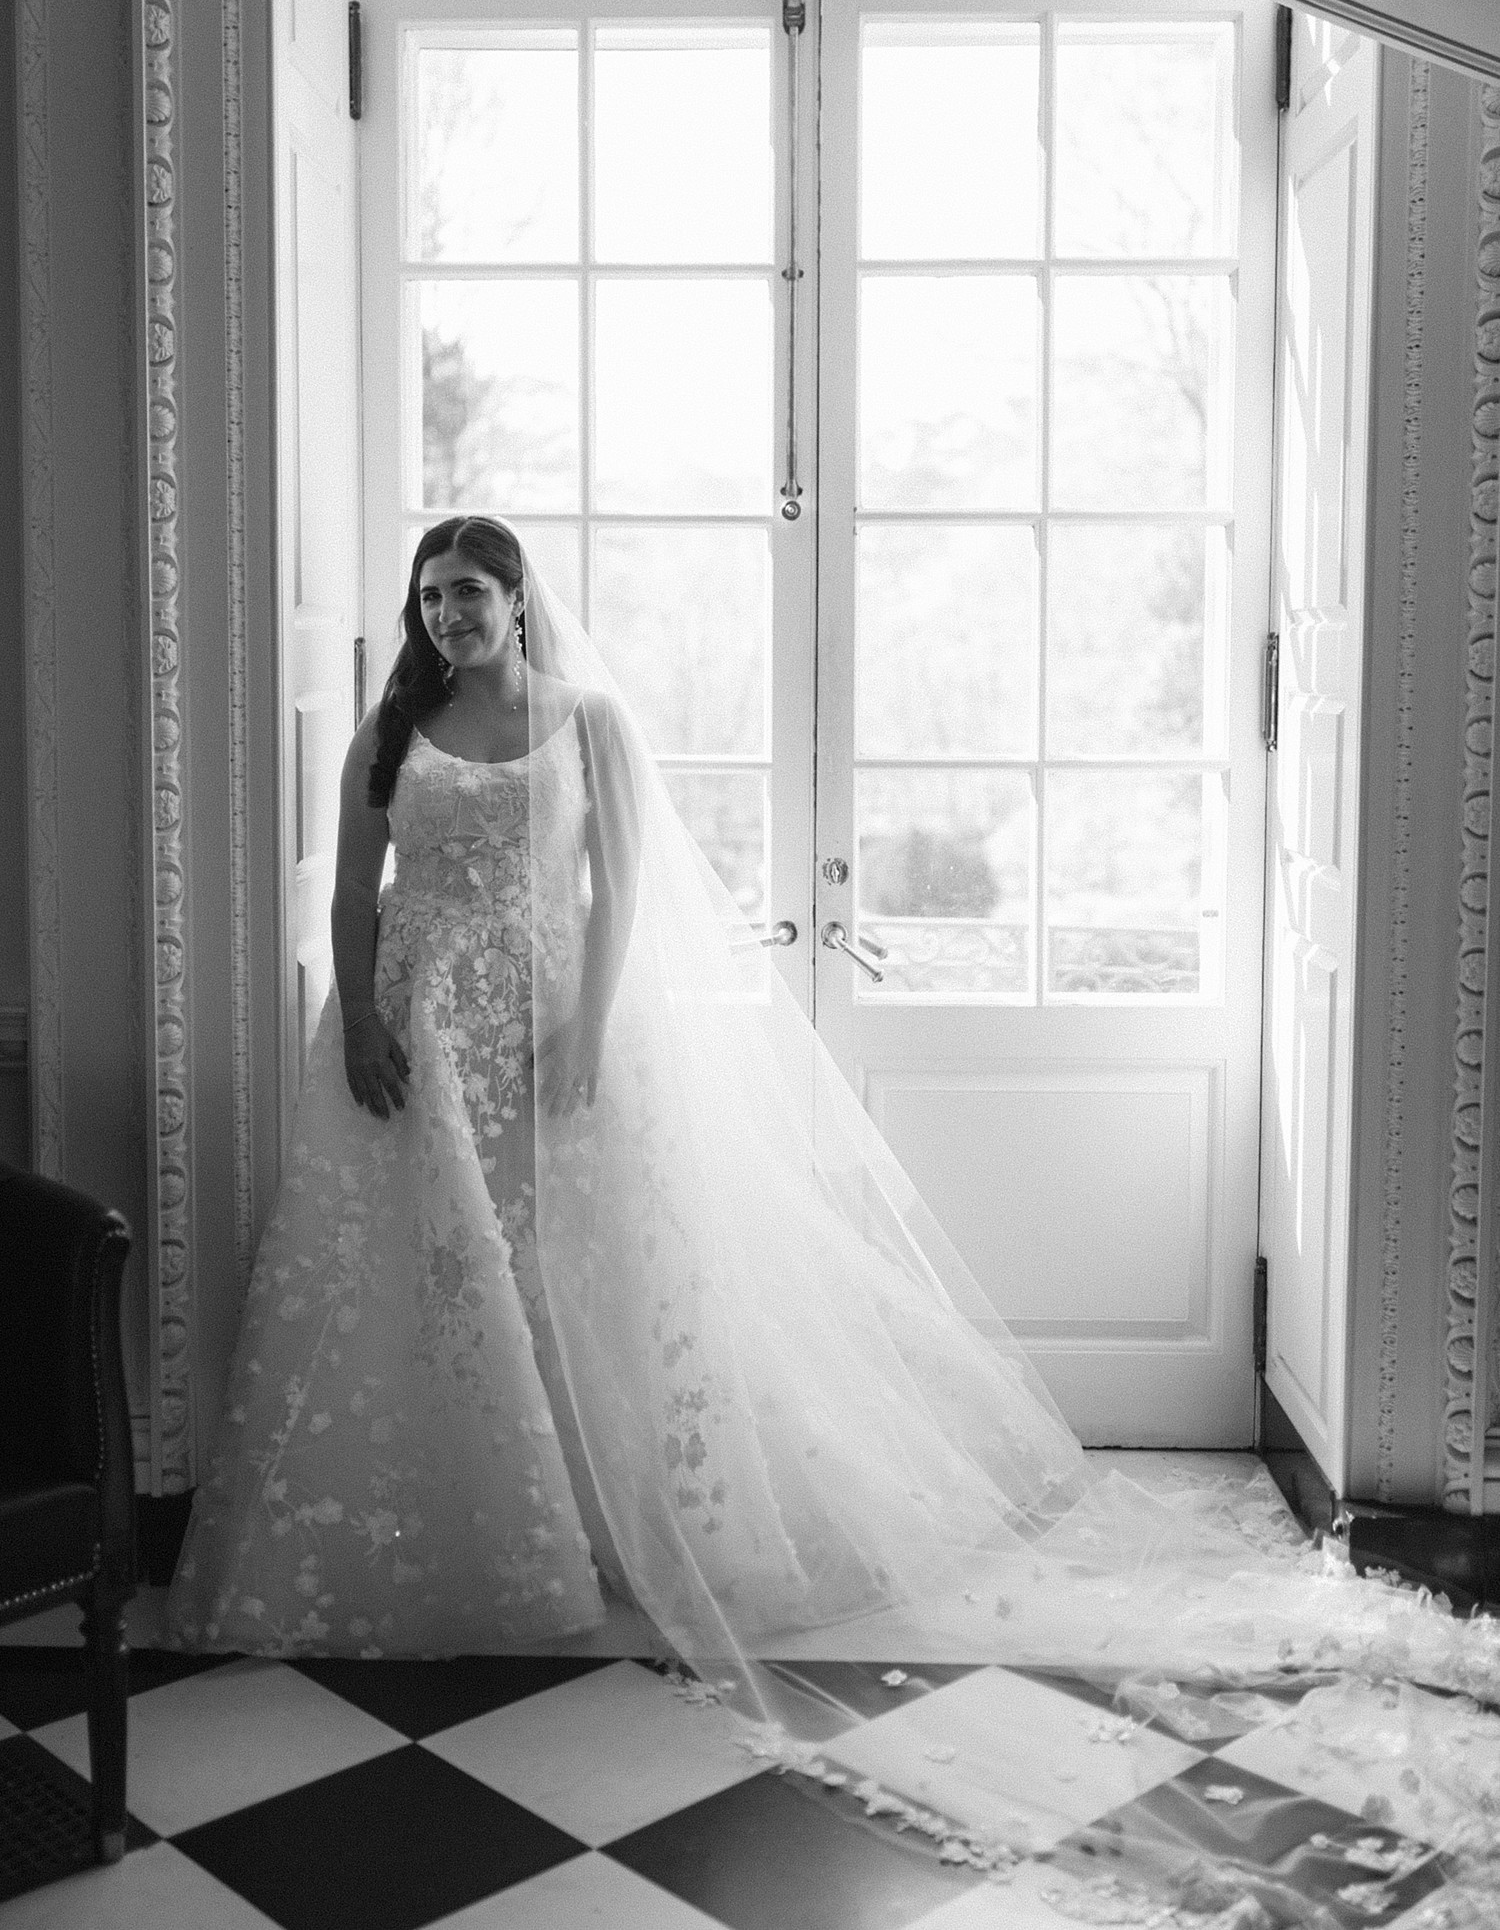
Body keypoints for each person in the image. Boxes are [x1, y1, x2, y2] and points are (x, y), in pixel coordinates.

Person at [168, 516, 1500, 1756]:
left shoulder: (589, 721)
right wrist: (357, 1026)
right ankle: (473, 1529)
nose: (448, 609)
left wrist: (583, 1026)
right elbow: (352, 885)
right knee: (440, 1278)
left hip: (554, 1027)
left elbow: (615, 888)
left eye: (471, 589)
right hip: (418, 1031)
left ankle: (604, 1521)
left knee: (579, 1271)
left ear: (517, 599)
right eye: (431, 592)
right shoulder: (392, 725)